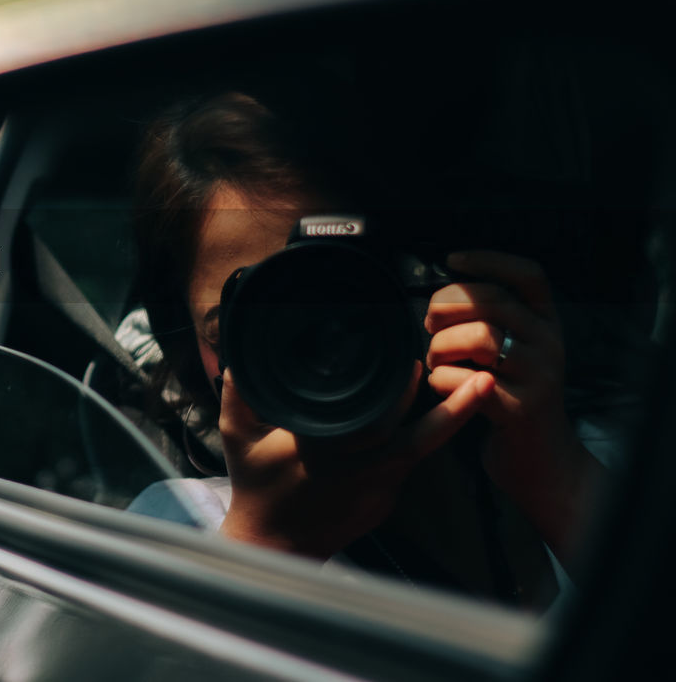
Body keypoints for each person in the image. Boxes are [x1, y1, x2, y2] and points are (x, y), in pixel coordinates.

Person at [126, 90, 618, 606]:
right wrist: (264, 546)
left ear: (435, 282)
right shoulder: (180, 530)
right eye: (247, 321)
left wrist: (554, 478)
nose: (320, 346)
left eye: (343, 297)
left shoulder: (593, 457)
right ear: (183, 343)